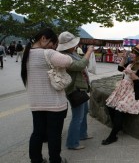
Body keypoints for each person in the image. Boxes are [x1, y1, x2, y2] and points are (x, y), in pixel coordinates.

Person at [21, 28, 73, 163]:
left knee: (37, 133)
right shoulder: (48, 53)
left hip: (36, 104)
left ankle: (36, 160)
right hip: (54, 104)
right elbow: (68, 61)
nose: (52, 46)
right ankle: (56, 160)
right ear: (43, 38)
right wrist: (59, 52)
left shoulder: (26, 54)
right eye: (52, 43)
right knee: (54, 134)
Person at [102, 44, 139, 145]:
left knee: (120, 107)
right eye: (131, 52)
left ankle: (112, 136)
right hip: (123, 90)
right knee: (110, 105)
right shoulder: (131, 63)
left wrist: (131, 73)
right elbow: (120, 68)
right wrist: (123, 58)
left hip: (134, 92)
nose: (131, 54)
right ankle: (118, 126)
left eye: (134, 53)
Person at [56, 31, 94, 150]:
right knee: (77, 116)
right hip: (74, 89)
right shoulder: (64, 57)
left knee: (84, 112)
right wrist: (88, 52)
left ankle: (82, 134)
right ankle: (72, 143)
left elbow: (81, 62)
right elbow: (80, 65)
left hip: (80, 88)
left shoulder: (71, 53)